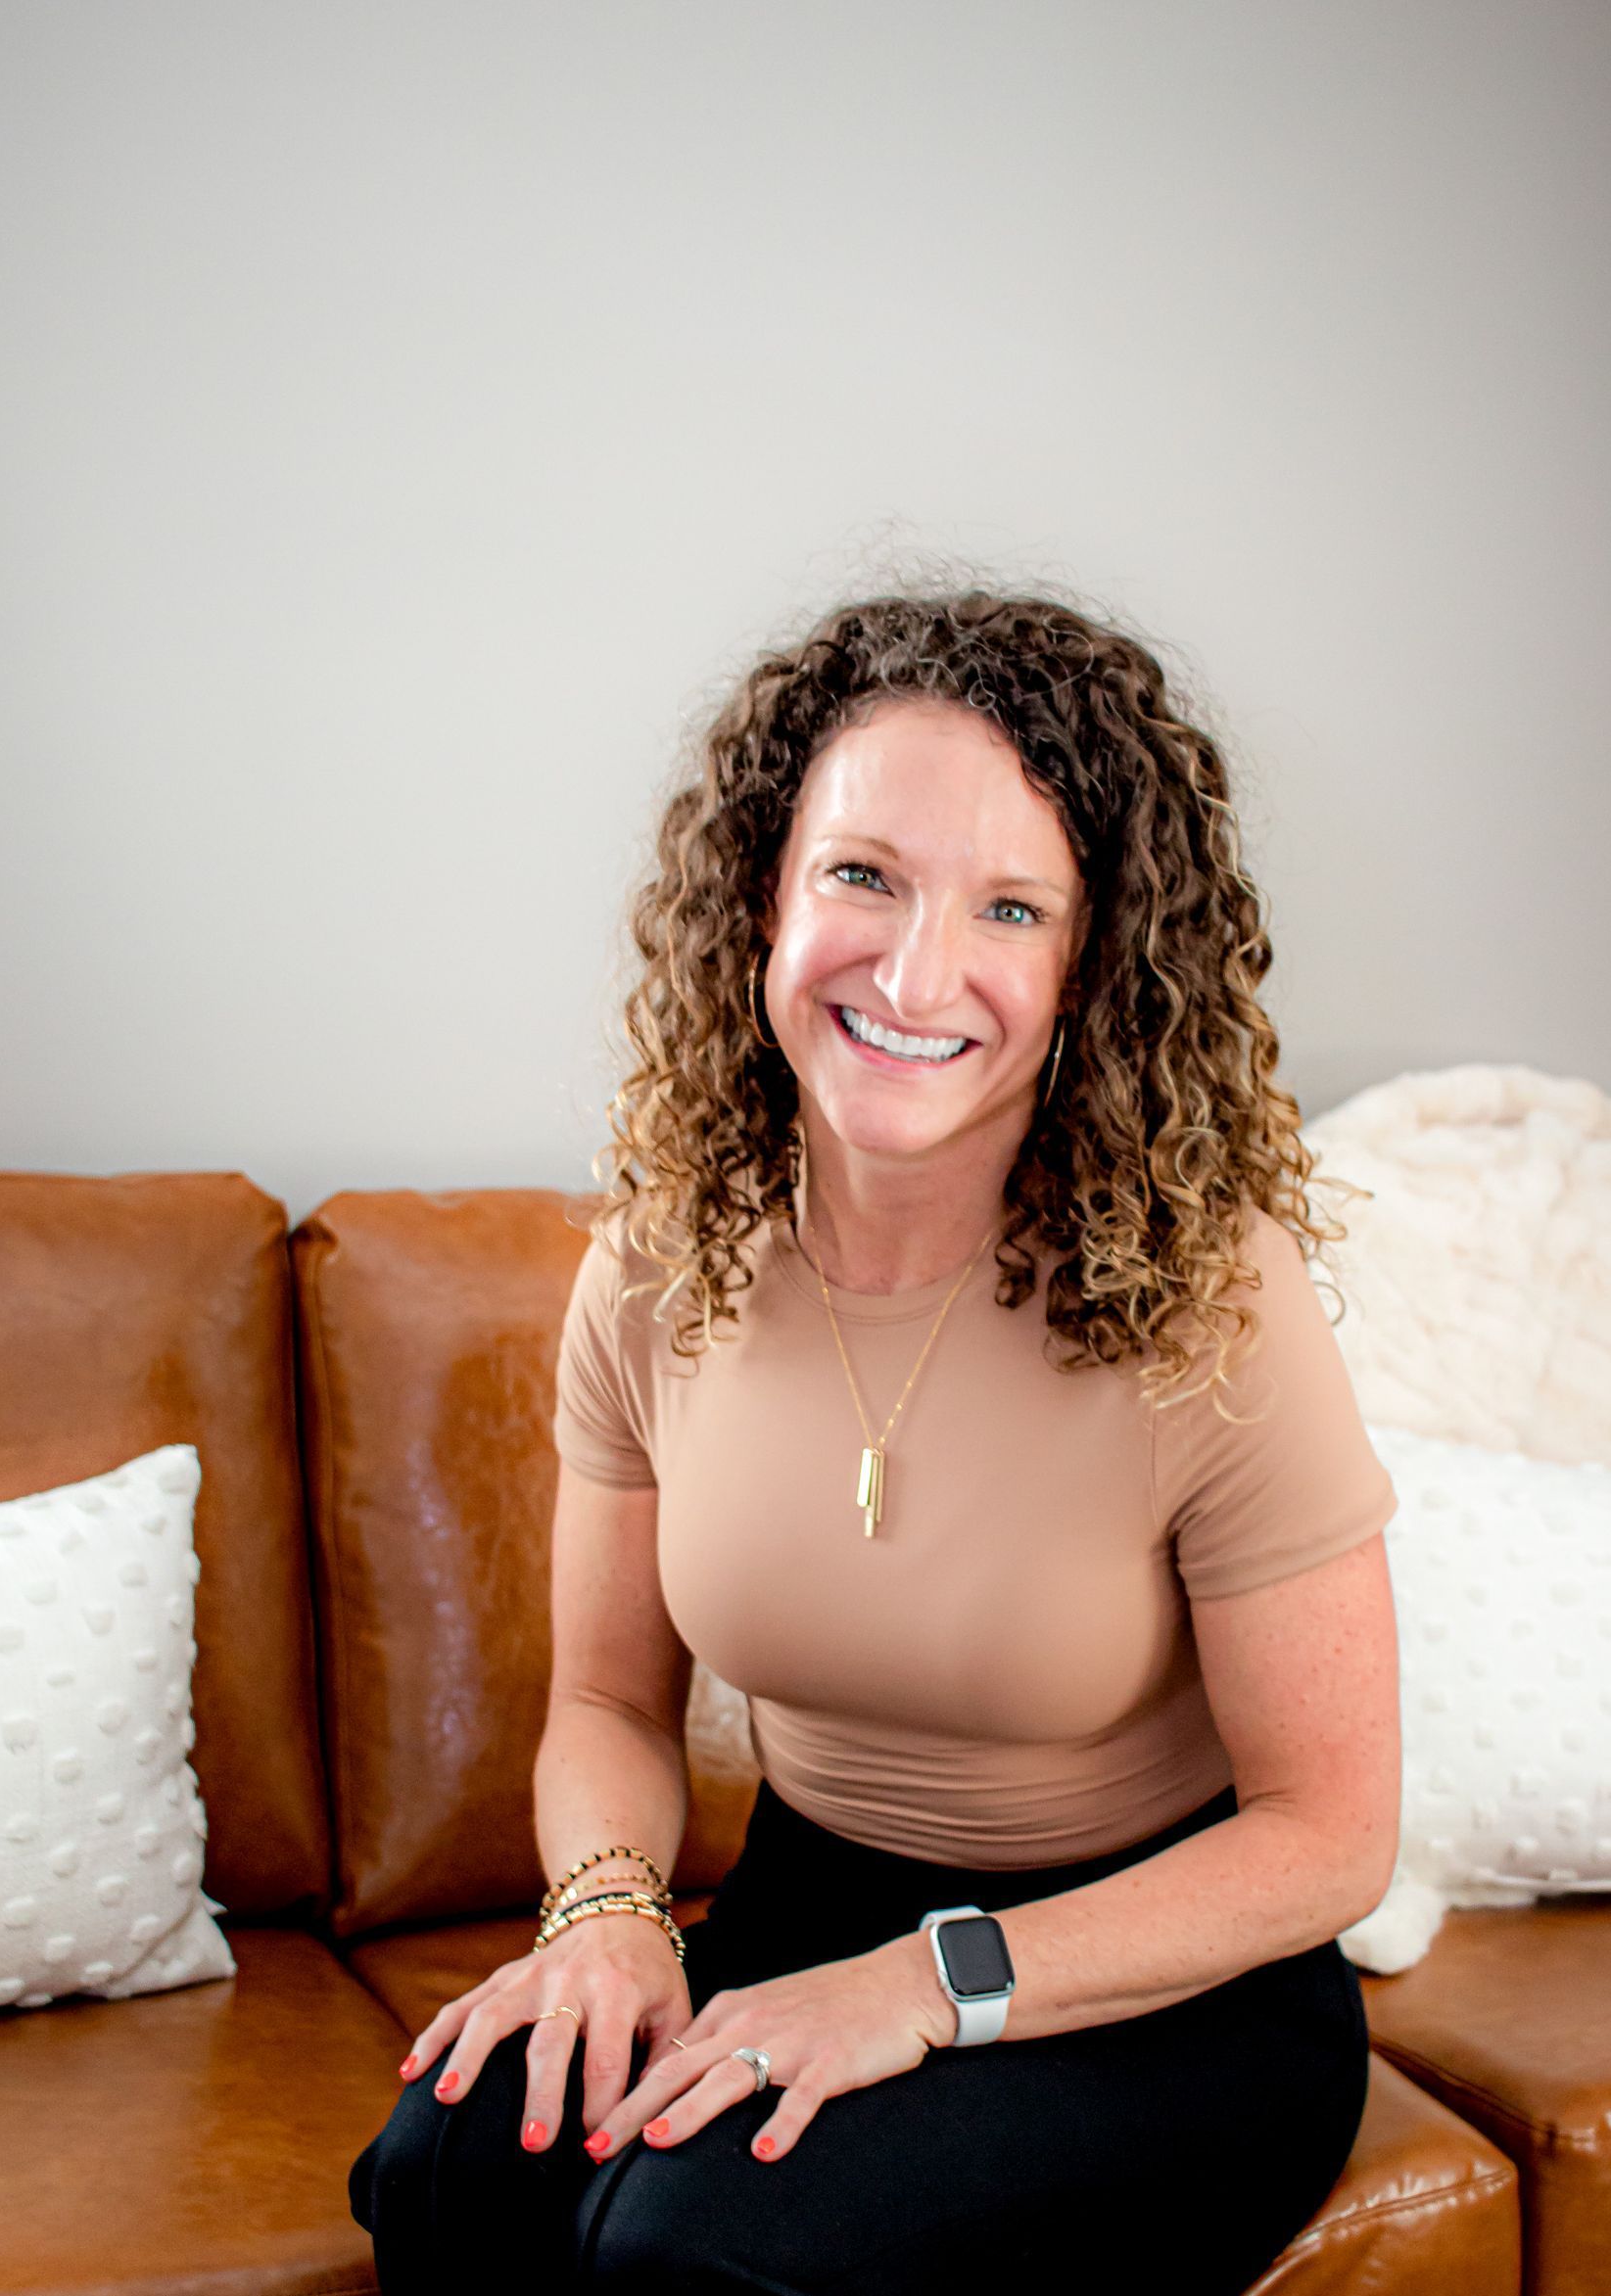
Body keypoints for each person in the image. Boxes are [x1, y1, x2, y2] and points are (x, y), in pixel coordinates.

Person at [348, 583, 1401, 2293]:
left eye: (1007, 905)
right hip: (807, 1895)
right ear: (763, 889)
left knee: (695, 2249)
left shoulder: (1212, 1300)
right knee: (461, 2164)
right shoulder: (655, 1260)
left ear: (1091, 965)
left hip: (1154, 1983)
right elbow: (610, 1703)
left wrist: (920, 1984)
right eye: (861, 873)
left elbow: (1328, 1832)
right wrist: (608, 1911)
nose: (916, 971)